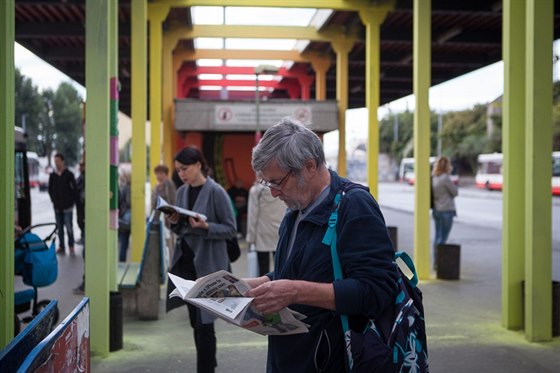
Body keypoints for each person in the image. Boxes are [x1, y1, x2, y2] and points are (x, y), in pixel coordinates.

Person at [244, 118, 399, 372]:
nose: (273, 192)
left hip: (329, 359)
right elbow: (298, 272)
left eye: (277, 182)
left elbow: (377, 290)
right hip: (289, 357)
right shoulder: (296, 207)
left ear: (309, 166)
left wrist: (295, 292)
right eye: (267, 182)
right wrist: (257, 284)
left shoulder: (354, 206)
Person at [165, 146, 236, 373]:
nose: (181, 174)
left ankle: (206, 367)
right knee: (195, 321)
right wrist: (174, 220)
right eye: (178, 170)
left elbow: (230, 229)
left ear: (198, 165)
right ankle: (208, 361)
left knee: (205, 323)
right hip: (186, 263)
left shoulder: (216, 192)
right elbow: (180, 228)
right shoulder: (182, 192)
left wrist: (206, 227)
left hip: (207, 265)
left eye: (184, 168)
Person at [245, 180, 286, 276]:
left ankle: (263, 288)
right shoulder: (283, 187)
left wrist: (250, 238)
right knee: (280, 266)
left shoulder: (256, 190)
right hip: (279, 231)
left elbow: (252, 216)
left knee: (263, 269)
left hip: (262, 233)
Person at [431, 156, 458, 266]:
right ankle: (440, 263)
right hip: (446, 210)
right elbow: (455, 192)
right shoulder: (445, 178)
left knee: (437, 237)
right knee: (443, 238)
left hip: (436, 210)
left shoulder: (434, 177)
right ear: (447, 166)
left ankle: (436, 262)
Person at [48, 153, 77, 255]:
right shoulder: (53, 175)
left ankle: (71, 245)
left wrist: (72, 202)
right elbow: (50, 190)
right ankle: (61, 246)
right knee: (59, 228)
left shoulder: (69, 174)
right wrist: (54, 201)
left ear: (62, 161)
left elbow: (74, 190)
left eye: (58, 161)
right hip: (57, 207)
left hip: (67, 207)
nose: (56, 163)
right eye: (55, 161)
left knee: (69, 228)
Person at [118, 170, 132, 262]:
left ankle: (122, 261)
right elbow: (129, 202)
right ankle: (122, 260)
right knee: (124, 242)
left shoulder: (123, 188)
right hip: (129, 218)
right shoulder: (129, 188)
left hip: (123, 218)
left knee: (123, 241)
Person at [76, 161, 85, 245]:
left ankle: (84, 237)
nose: (80, 167)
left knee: (83, 221)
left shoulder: (86, 177)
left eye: (82, 166)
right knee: (80, 221)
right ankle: (83, 237)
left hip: (83, 204)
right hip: (79, 204)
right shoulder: (80, 177)